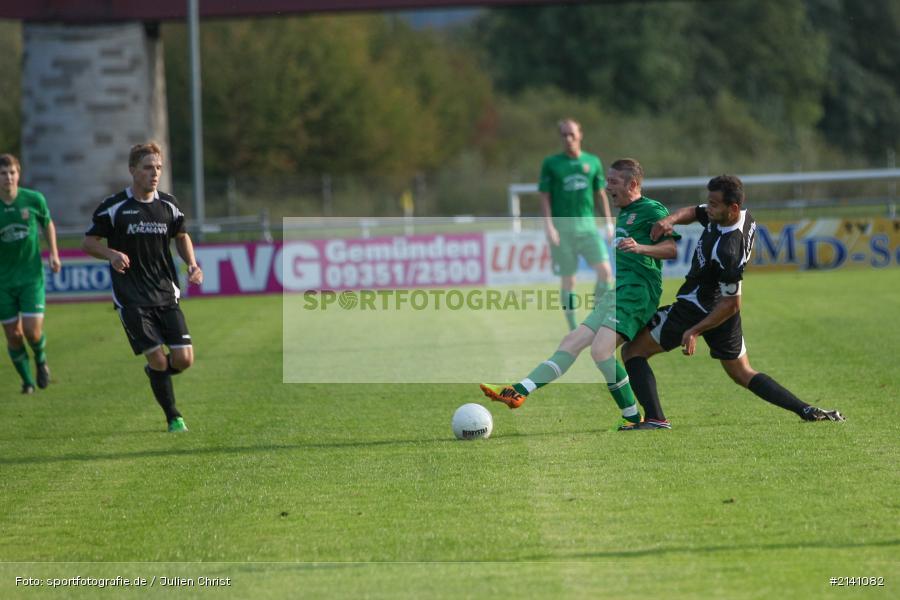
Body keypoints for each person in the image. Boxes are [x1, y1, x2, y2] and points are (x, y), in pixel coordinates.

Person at [620, 175, 844, 428]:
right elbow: (694, 212)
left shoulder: (728, 250)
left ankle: (655, 419)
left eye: (714, 204)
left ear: (732, 208)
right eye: (709, 202)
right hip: (719, 310)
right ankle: (806, 410)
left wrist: (694, 330)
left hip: (696, 308)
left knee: (632, 351)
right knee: (742, 373)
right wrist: (668, 220)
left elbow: (733, 304)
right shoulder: (740, 217)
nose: (708, 208)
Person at [481, 159, 679, 429]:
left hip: (639, 294)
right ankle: (518, 391)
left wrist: (641, 248)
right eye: (607, 181)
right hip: (618, 292)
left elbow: (672, 249)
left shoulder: (652, 210)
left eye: (613, 182)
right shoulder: (624, 212)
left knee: (600, 351)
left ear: (632, 184)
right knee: (571, 341)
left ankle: (634, 417)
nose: (607, 187)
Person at [82, 143, 203, 433]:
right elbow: (89, 242)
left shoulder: (169, 205)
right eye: (148, 167)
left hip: (166, 292)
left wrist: (192, 264)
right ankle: (173, 417)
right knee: (159, 359)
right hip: (131, 297)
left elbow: (181, 235)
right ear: (133, 170)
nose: (155, 173)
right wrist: (111, 254)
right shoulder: (114, 207)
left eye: (158, 167)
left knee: (184, 359)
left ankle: (155, 374)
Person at [539, 118, 615, 330]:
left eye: (572, 134)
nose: (568, 138)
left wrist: (609, 223)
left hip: (588, 229)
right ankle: (574, 328)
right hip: (563, 231)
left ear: (580, 134)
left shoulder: (593, 162)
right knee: (569, 280)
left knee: (606, 272)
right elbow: (544, 196)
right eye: (564, 135)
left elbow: (600, 194)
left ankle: (595, 318)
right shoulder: (551, 163)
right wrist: (549, 226)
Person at [0, 153, 61, 394]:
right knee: (13, 335)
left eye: (12, 172)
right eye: (3, 173)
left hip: (31, 278)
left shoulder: (34, 199)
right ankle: (27, 382)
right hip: (3, 282)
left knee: (32, 332)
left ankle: (40, 359)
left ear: (19, 174)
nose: (8, 177)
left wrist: (54, 253)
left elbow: (48, 223)